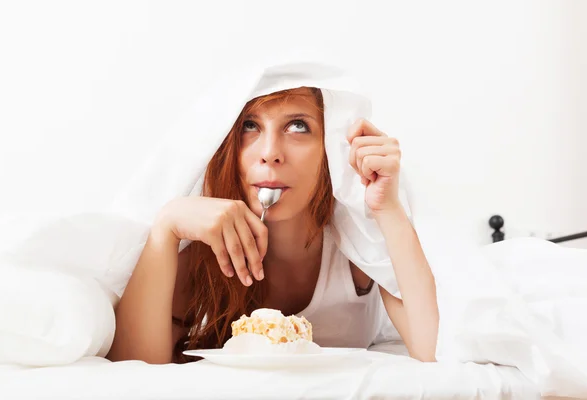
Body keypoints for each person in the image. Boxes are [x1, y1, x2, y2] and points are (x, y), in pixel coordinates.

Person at [106, 86, 439, 364]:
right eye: (250, 126)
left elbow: (432, 351)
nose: (269, 153)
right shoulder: (201, 256)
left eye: (297, 126)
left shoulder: (356, 246)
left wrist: (388, 207)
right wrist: (166, 226)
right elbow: (133, 373)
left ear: (330, 151)